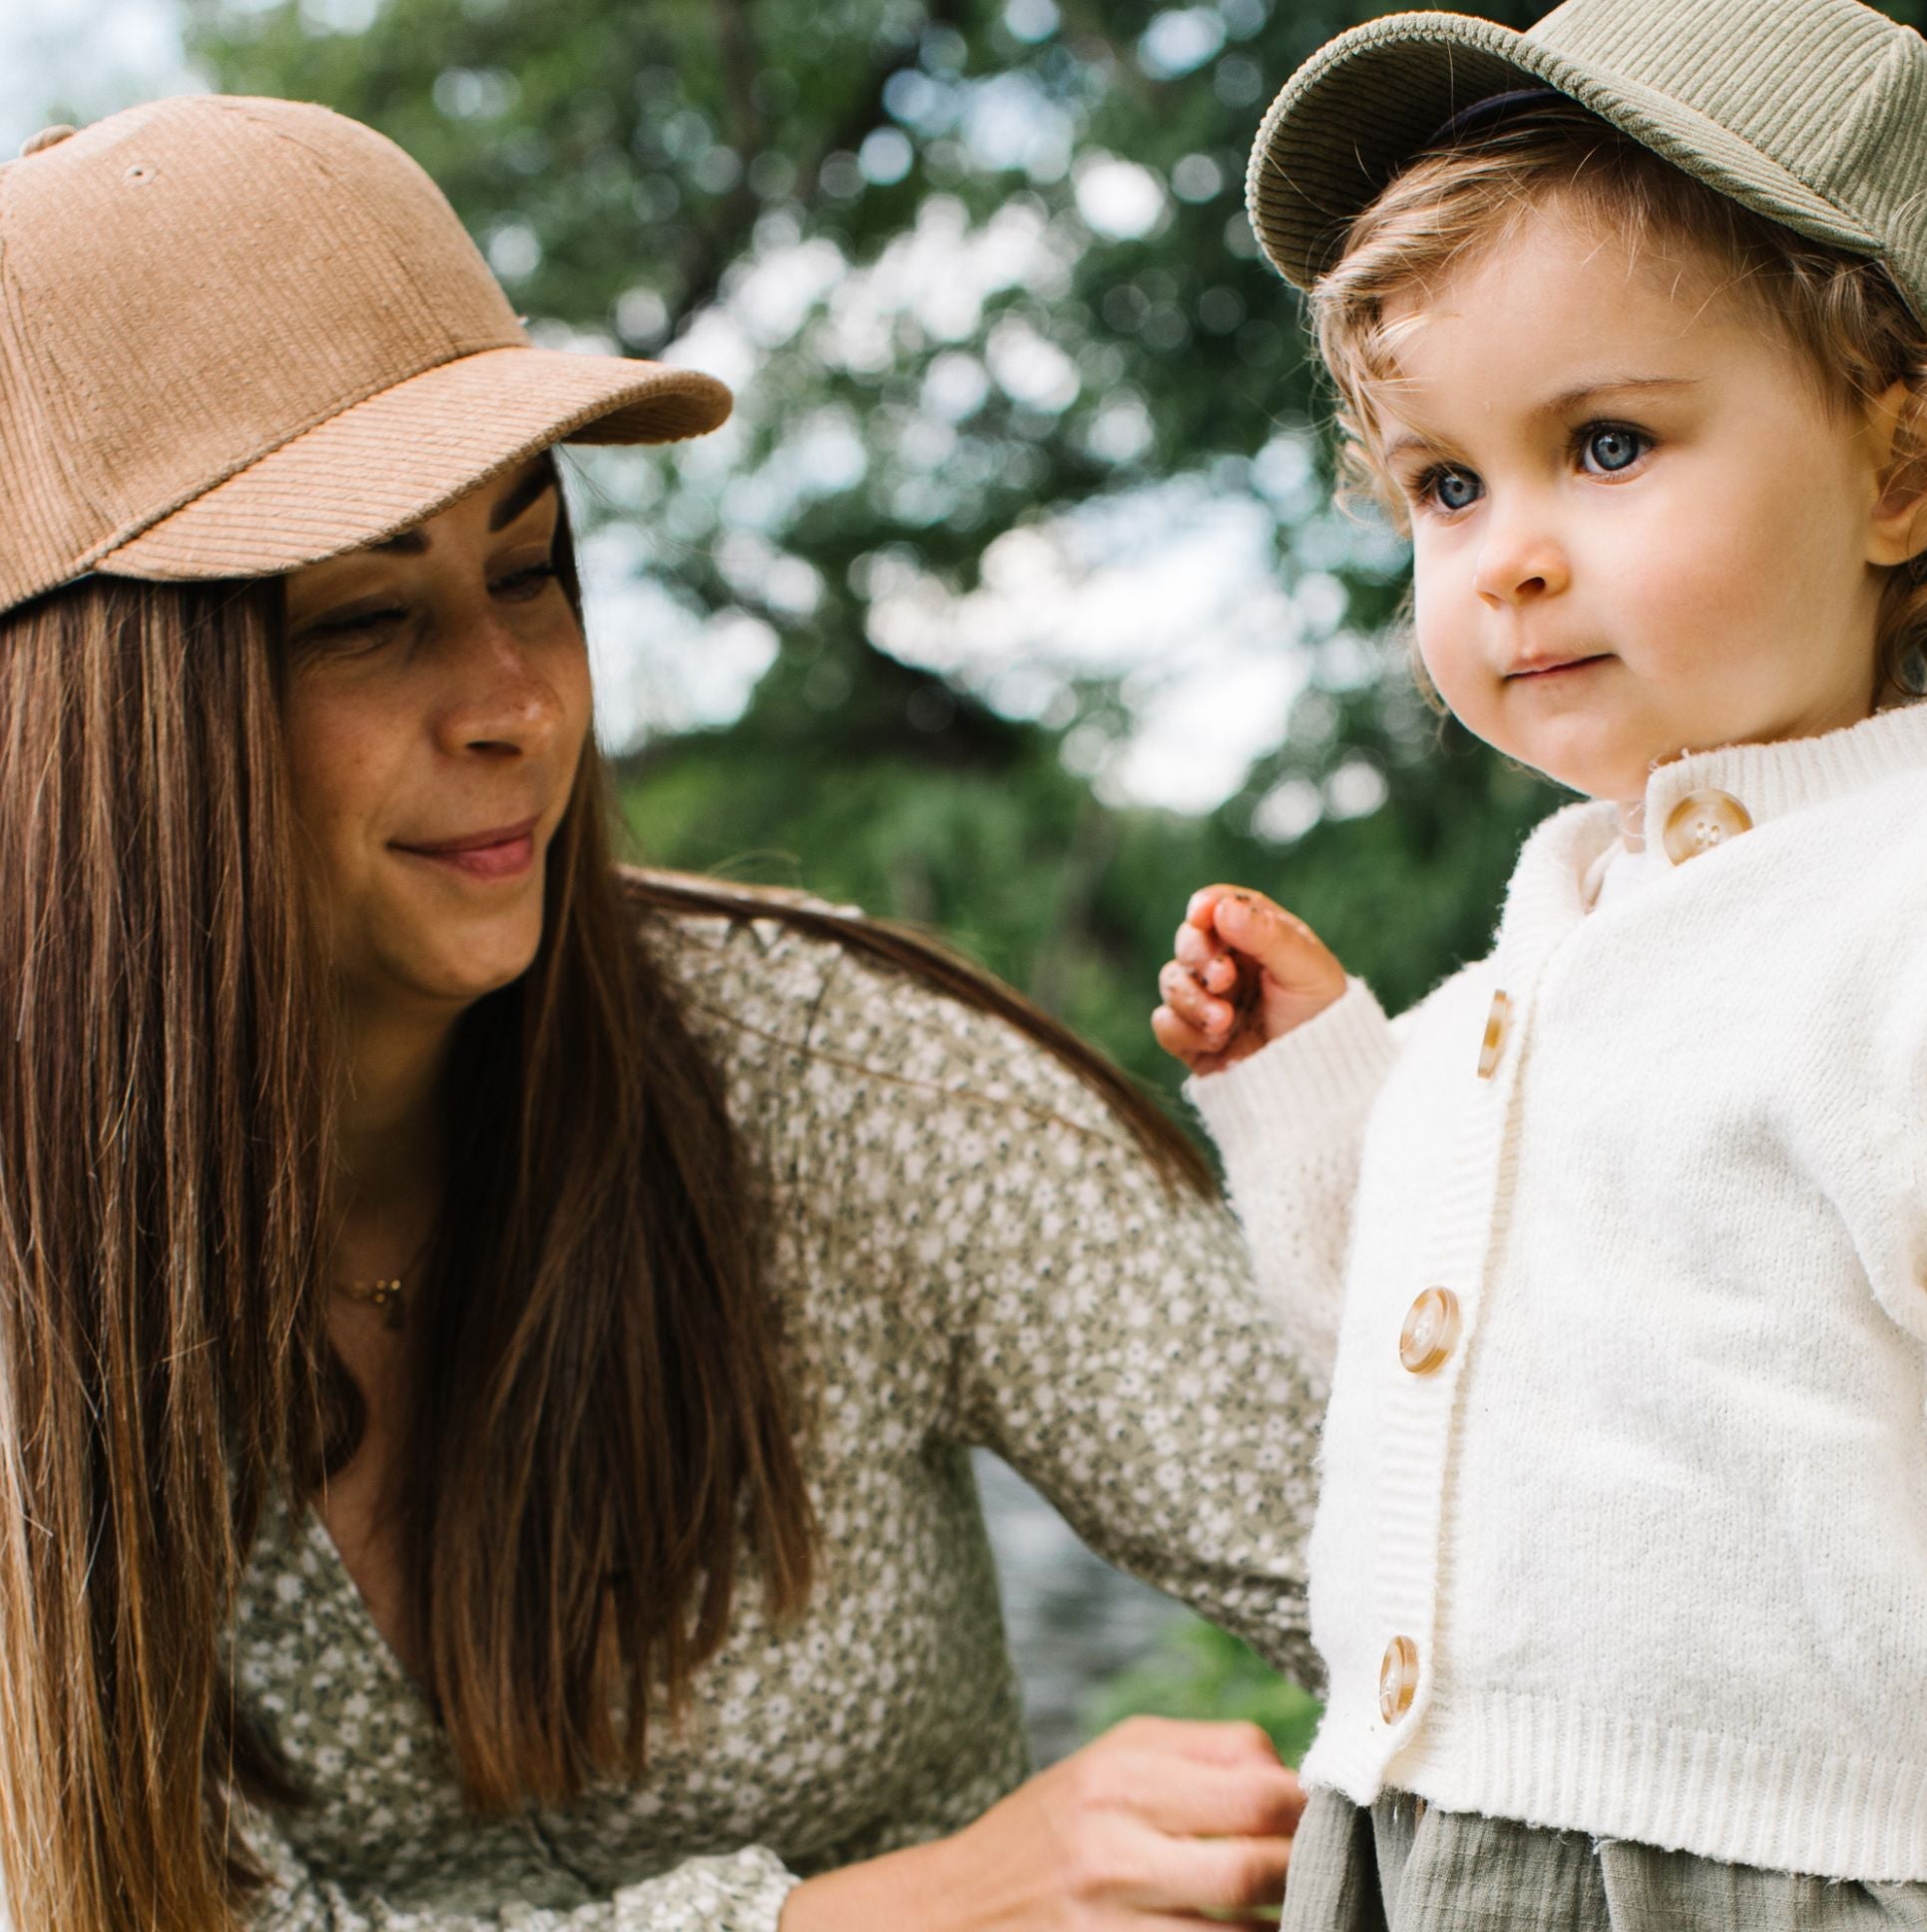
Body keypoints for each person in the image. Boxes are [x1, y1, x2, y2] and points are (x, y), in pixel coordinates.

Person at [0, 96, 1324, 1932]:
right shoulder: (27, 1284)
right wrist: (889, 1917)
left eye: (530, 573)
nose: (516, 702)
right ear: (109, 732)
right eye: (369, 619)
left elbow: (1432, 1572)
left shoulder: (833, 1076)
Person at [1152, 0, 1927, 1932]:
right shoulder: (1556, 927)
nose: (1509, 550)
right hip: (1422, 1832)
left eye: (1610, 444)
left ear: (1902, 462)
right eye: (1444, 484)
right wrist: (1318, 1091)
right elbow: (1440, 1362)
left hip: (1767, 1871)